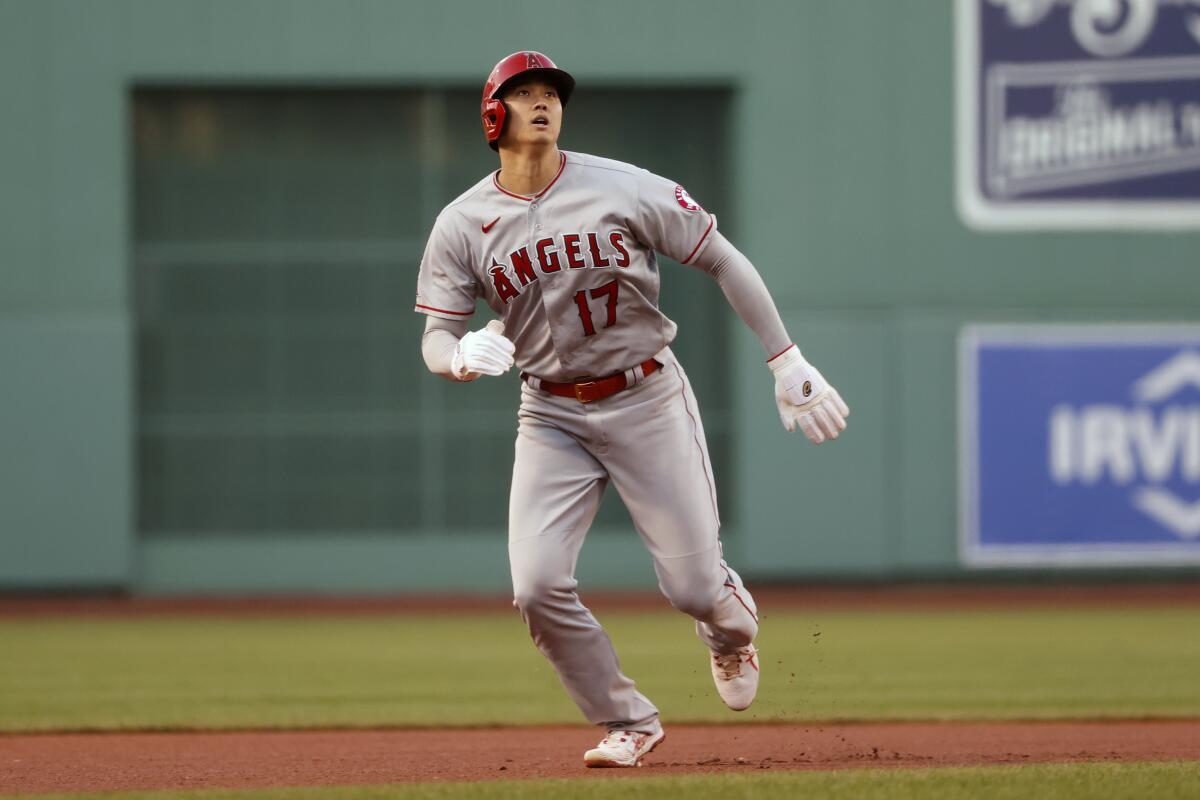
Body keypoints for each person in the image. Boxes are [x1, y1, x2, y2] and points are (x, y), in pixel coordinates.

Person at [415, 51, 849, 768]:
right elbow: (434, 334)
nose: (542, 102)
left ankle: (730, 632)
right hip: (550, 414)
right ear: (494, 116)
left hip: (645, 394)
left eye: (550, 91)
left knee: (691, 588)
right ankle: (627, 721)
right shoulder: (463, 222)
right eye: (524, 93)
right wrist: (455, 356)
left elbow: (722, 258)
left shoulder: (622, 186)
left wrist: (787, 359)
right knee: (536, 585)